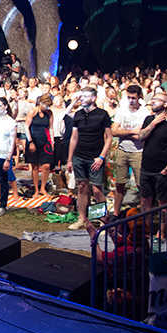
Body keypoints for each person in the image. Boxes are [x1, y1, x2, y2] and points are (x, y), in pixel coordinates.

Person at [65, 87, 113, 230]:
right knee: (81, 187)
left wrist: (101, 157)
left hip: (95, 157)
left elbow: (109, 138)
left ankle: (102, 221)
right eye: (81, 96)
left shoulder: (102, 114)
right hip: (79, 156)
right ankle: (82, 218)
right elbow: (74, 138)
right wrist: (69, 159)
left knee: (97, 190)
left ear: (93, 98)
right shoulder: (78, 115)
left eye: (85, 96)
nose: (81, 99)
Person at [135, 92, 167, 214]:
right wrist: (153, 123)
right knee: (145, 199)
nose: (153, 101)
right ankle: (148, 225)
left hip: (162, 169)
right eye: (153, 99)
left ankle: (162, 227)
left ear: (166, 104)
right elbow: (140, 137)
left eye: (157, 99)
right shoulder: (149, 119)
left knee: (162, 201)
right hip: (146, 167)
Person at [110, 84, 151, 212]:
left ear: (139, 97)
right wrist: (132, 131)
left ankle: (143, 212)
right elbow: (114, 131)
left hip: (138, 152)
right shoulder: (122, 110)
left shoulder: (145, 112)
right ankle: (116, 212)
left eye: (133, 98)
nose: (131, 100)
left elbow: (141, 136)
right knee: (119, 183)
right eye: (129, 97)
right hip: (122, 150)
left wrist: (124, 132)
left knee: (141, 184)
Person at [24, 94, 56, 198]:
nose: (47, 108)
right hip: (34, 140)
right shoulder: (32, 112)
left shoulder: (49, 113)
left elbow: (51, 128)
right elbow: (26, 127)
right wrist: (30, 141)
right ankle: (36, 189)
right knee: (35, 166)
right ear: (40, 103)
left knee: (47, 165)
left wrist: (52, 142)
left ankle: (43, 188)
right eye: (46, 106)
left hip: (45, 141)